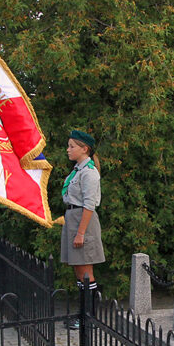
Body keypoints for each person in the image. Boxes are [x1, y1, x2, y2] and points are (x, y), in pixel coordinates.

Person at [60, 130, 105, 325]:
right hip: (73, 218)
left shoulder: (89, 173)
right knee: (79, 271)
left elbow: (89, 205)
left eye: (72, 146)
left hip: (82, 221)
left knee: (86, 272)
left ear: (84, 149)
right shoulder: (77, 170)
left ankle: (89, 318)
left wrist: (80, 233)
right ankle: (83, 314)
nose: (68, 150)